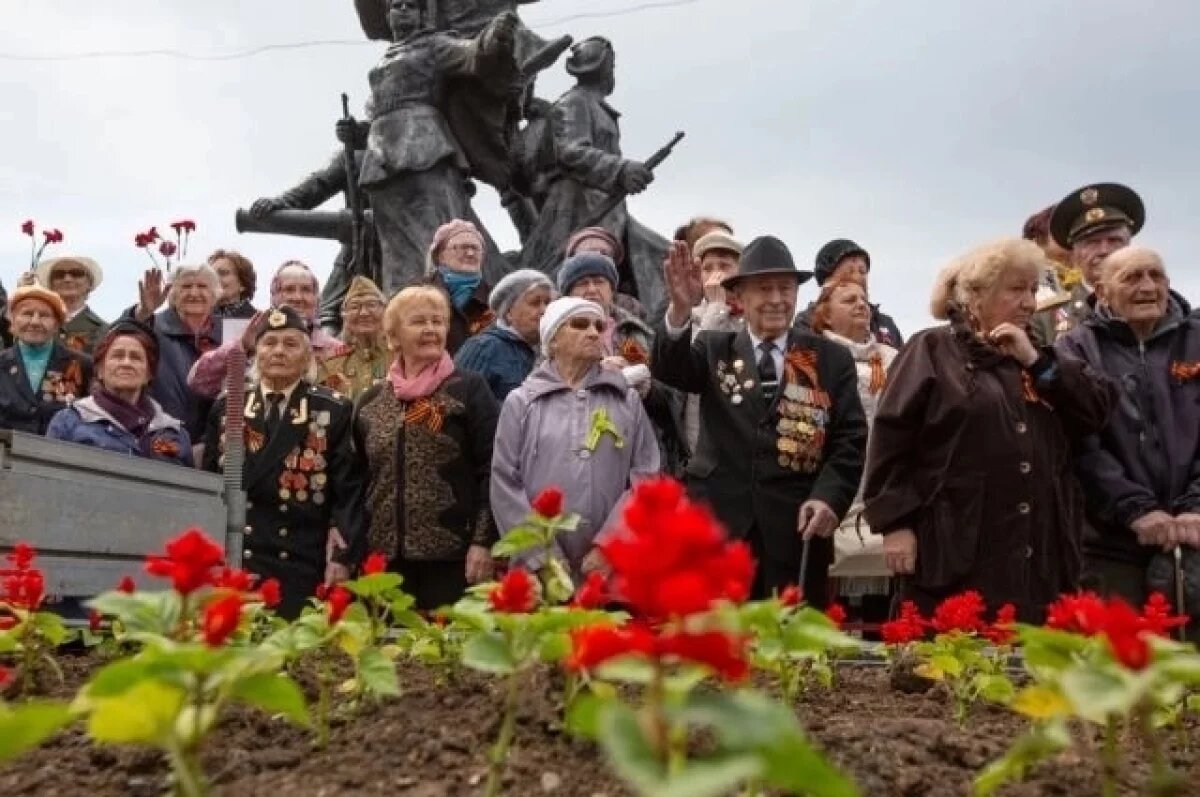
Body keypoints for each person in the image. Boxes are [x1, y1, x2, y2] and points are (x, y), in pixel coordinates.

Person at [864, 238, 1114, 621]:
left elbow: (1094, 412)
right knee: (954, 668)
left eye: (1032, 289)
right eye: (1016, 290)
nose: (1029, 302)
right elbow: (890, 440)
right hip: (955, 547)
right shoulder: (931, 350)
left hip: (1038, 554)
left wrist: (1034, 360)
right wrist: (895, 524)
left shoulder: (1043, 356)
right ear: (975, 296)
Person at [656, 236, 868, 603]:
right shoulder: (713, 348)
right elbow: (669, 368)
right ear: (739, 296)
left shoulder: (830, 359)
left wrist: (829, 499)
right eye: (763, 288)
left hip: (797, 532)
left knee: (792, 652)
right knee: (719, 647)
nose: (775, 299)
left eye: (785, 288)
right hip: (720, 532)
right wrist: (678, 310)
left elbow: (850, 440)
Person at [1056, 247, 1200, 617]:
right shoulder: (1074, 348)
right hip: (1113, 544)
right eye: (1132, 278)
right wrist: (1133, 509)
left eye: (1156, 275)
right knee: (1119, 665)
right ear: (1101, 291)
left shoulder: (1196, 339)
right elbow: (1079, 442)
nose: (1148, 286)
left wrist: (1196, 505)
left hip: (1196, 532)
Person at [339, 0, 518, 292]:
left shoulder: (435, 45)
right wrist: (355, 132)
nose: (404, 10)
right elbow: (378, 114)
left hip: (426, 150)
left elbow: (472, 55)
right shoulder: (386, 58)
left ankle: (450, 304)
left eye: (412, 6)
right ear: (389, 15)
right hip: (383, 161)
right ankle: (404, 308)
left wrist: (493, 37)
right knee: (395, 249)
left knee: (436, 238)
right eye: (398, 5)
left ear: (423, 15)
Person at [203, 306, 365, 617]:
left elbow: (349, 492)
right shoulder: (229, 406)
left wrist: (342, 557)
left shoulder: (331, 410)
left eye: (290, 344)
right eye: (270, 343)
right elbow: (209, 484)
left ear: (308, 356)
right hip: (239, 556)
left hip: (300, 558)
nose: (279, 351)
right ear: (256, 352)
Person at [492, 297, 660, 580]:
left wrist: (610, 546)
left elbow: (646, 476)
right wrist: (541, 554)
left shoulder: (626, 399)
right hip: (541, 574)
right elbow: (505, 483)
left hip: (611, 573)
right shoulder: (521, 402)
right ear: (552, 341)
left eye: (598, 326)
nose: (594, 332)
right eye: (580, 325)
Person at [354, 286, 500, 610]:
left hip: (454, 559)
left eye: (438, 321)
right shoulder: (370, 402)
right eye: (419, 322)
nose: (431, 329)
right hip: (384, 562)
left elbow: (493, 469)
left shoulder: (469, 389)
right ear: (393, 336)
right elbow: (358, 480)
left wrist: (483, 542)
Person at [518, 36, 670, 319]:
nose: (613, 71)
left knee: (660, 259)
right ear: (602, 67)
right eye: (611, 64)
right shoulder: (573, 103)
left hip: (609, 208)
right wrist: (622, 170)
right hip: (577, 207)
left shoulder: (597, 107)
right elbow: (570, 151)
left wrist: (625, 174)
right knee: (570, 274)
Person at [809, 277, 899, 608]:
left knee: (884, 602)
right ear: (826, 316)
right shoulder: (811, 356)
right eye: (849, 300)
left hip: (883, 481)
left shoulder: (891, 357)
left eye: (864, 299)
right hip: (836, 479)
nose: (862, 304)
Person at [558, 251, 688, 476]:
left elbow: (673, 395)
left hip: (643, 452)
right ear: (568, 293)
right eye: (581, 283)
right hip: (581, 454)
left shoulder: (638, 333)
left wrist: (647, 388)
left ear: (611, 289)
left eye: (599, 281)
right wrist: (593, 378)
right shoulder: (555, 337)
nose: (591, 289)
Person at [187, 261, 341, 401]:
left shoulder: (336, 350)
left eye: (306, 290)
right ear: (273, 297)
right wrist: (242, 346)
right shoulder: (248, 339)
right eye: (289, 289)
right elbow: (199, 383)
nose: (298, 297)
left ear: (316, 298)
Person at [47, 321, 192, 466]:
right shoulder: (69, 422)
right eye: (117, 356)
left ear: (149, 374)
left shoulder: (175, 433)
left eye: (136, 357)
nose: (126, 363)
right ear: (100, 371)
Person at [123, 264, 222, 444]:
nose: (194, 293)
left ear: (215, 294)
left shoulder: (229, 334)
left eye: (202, 286)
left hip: (213, 443)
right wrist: (143, 312)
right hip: (157, 436)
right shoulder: (152, 326)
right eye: (185, 286)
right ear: (172, 294)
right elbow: (116, 340)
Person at [1044, 182, 1144, 338]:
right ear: (1075, 253)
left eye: (1114, 240)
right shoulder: (1046, 318)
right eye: (1092, 242)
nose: (1104, 250)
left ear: (1129, 246)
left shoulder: (1161, 305)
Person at [680, 230, 744, 457]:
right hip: (701, 448)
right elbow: (694, 366)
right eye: (708, 268)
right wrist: (716, 307)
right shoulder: (689, 320)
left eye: (724, 266)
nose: (716, 274)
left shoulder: (751, 321)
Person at [0, 286, 92, 434]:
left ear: (57, 325)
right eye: (27, 314)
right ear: (13, 321)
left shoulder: (82, 365)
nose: (35, 322)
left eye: (44, 315)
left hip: (59, 454)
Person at [454, 269, 553, 401]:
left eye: (548, 303)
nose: (544, 310)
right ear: (508, 312)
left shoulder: (548, 352)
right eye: (534, 303)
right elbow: (457, 403)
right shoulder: (484, 347)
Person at [793, 239, 903, 347]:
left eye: (862, 271)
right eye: (850, 271)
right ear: (827, 282)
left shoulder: (885, 323)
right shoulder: (807, 322)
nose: (858, 277)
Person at [423, 219, 496, 354]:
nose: (470, 253)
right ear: (441, 256)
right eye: (461, 248)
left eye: (475, 248)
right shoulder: (417, 295)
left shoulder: (496, 299)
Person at [317, 276, 389, 400]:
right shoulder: (331, 366)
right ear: (344, 316)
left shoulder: (401, 358)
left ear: (385, 311)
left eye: (371, 305)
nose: (364, 313)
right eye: (355, 307)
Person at [26, 255, 108, 355]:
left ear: (89, 283)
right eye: (59, 275)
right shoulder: (32, 323)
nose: (67, 279)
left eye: (76, 274)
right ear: (50, 284)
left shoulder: (104, 329)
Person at [207, 249, 258, 319]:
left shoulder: (258, 321)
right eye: (211, 274)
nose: (214, 279)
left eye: (223, 273)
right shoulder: (194, 318)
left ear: (243, 284)